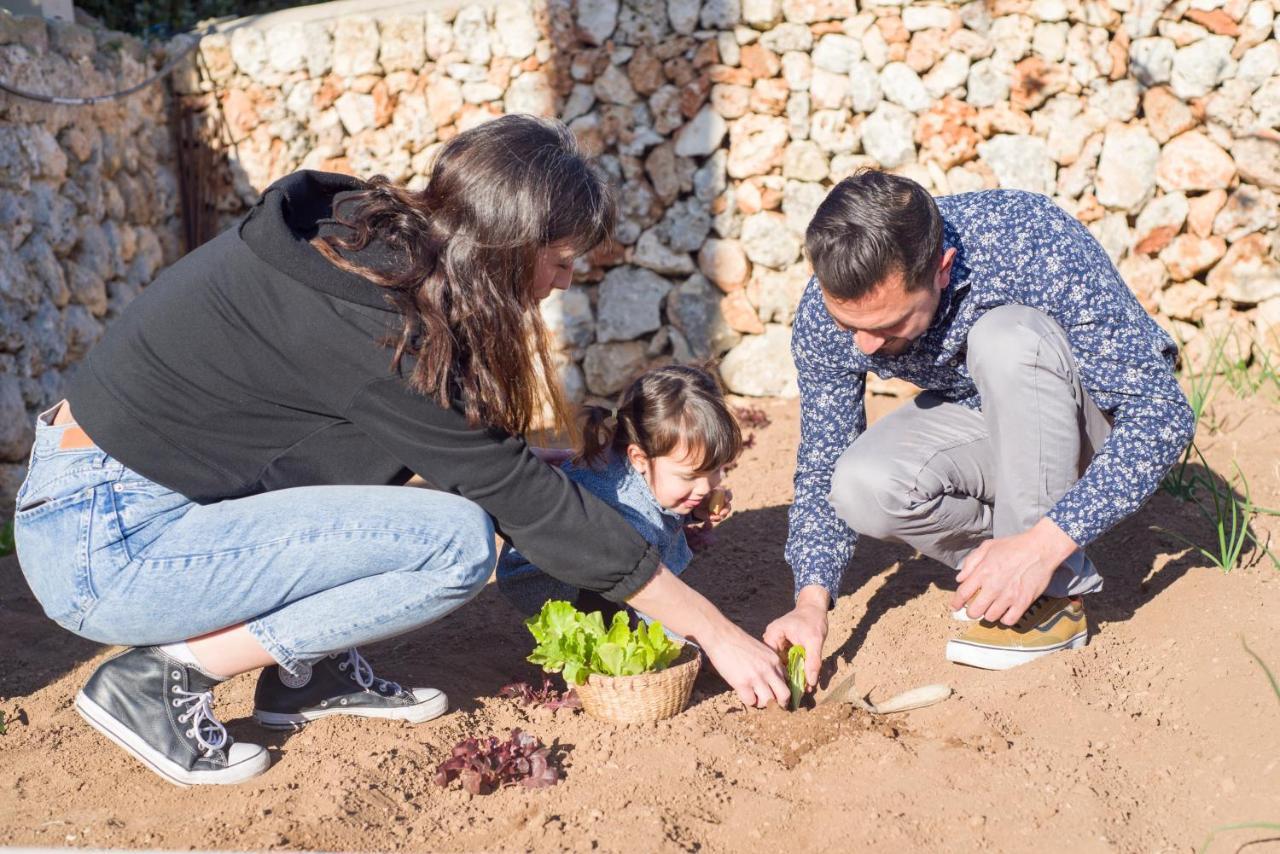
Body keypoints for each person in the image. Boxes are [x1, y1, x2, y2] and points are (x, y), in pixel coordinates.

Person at [13, 115, 790, 788]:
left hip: (113, 501)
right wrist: (716, 631)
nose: (563, 280)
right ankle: (162, 678)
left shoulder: (372, 250)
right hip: (104, 543)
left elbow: (444, 441)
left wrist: (512, 472)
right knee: (453, 542)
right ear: (508, 243)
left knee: (438, 482)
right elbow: (511, 492)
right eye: (558, 259)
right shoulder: (373, 320)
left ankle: (302, 671)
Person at [765, 170, 1195, 681]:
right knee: (859, 483)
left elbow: (1162, 414)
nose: (865, 346)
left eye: (888, 326)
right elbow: (821, 459)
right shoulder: (824, 313)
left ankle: (1050, 590)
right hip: (994, 423)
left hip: (1089, 425)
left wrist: (1044, 544)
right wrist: (811, 600)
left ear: (942, 269)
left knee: (1006, 338)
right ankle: (1009, 567)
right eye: (849, 325)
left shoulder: (1026, 237)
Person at [497, 365, 738, 620]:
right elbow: (645, 588)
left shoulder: (643, 463)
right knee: (625, 619)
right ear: (639, 458)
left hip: (569, 559)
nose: (705, 487)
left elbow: (658, 501)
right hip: (541, 578)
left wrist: (692, 510)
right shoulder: (629, 516)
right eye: (690, 476)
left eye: (715, 470)